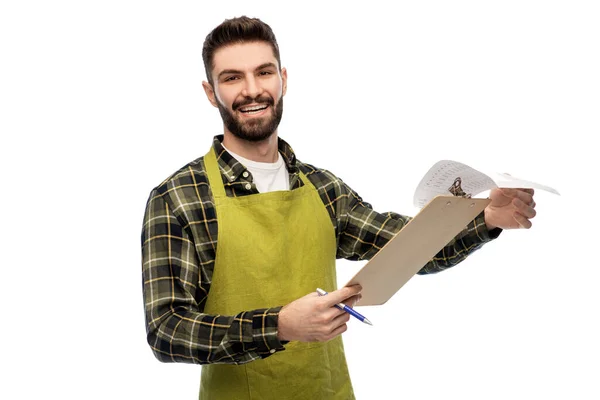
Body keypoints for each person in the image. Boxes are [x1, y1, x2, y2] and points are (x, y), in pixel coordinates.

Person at [141, 16, 537, 399]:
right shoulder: (178, 197)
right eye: (232, 78)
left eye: (264, 72)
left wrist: (485, 218)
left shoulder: (322, 188)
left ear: (283, 79)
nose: (252, 90)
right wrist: (279, 326)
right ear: (211, 92)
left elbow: (407, 249)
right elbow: (166, 329)